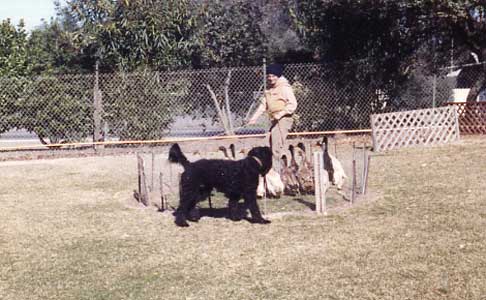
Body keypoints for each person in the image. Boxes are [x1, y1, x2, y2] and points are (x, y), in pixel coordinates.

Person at [248, 63, 297, 173]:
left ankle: (276, 174)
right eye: (269, 76)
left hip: (284, 120)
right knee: (267, 145)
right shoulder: (269, 89)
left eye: (273, 76)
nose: (270, 78)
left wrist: (280, 114)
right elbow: (263, 106)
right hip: (274, 120)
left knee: (276, 148)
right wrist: (253, 118)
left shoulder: (284, 88)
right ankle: (271, 171)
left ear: (278, 76)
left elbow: (293, 105)